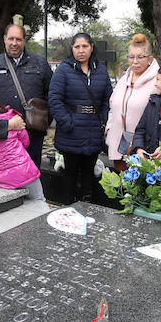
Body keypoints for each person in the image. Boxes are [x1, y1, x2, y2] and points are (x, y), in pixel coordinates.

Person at [48, 32, 112, 205]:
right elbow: (54, 99)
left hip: (93, 129)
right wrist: (68, 122)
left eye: (85, 46)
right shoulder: (64, 69)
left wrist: (104, 119)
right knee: (70, 172)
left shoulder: (101, 70)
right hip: (72, 130)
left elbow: (108, 98)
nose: (81, 50)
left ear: (91, 47)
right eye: (77, 47)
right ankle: (68, 205)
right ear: (72, 49)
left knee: (88, 171)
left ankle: (87, 205)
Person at [0, 24, 53, 166]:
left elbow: (52, 94)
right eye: (11, 38)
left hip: (33, 134)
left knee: (32, 171)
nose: (14, 43)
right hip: (4, 134)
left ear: (24, 40)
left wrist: (44, 122)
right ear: (4, 39)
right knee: (5, 174)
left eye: (18, 39)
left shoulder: (40, 64)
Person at [106, 33, 160, 170]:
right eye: (131, 57)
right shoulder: (124, 79)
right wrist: (109, 127)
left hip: (144, 146)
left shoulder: (157, 81)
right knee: (121, 185)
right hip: (119, 142)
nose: (135, 61)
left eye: (140, 57)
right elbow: (113, 105)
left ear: (150, 58)